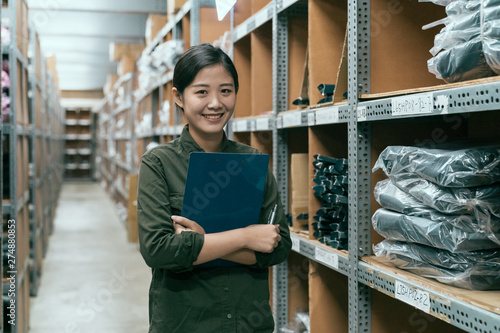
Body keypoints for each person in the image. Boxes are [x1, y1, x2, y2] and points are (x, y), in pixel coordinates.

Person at [137, 43, 292, 333]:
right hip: (184, 322)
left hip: (248, 321)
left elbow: (278, 246)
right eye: (201, 92)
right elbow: (158, 250)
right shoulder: (158, 163)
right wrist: (246, 237)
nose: (215, 103)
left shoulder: (253, 162)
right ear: (179, 97)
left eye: (225, 90)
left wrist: (199, 243)